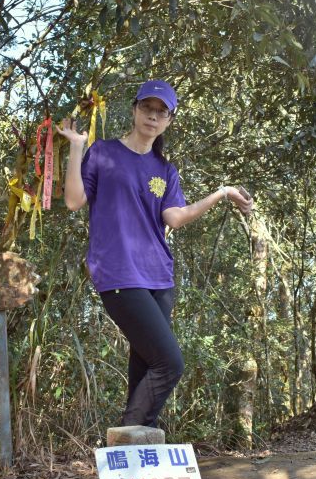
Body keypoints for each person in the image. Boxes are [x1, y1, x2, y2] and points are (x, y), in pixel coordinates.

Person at [57, 80, 253, 430]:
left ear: (169, 121)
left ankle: (133, 467)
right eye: (147, 108)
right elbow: (73, 201)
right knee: (169, 363)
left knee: (146, 367)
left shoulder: (165, 170)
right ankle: (126, 441)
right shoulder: (103, 152)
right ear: (134, 110)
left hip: (159, 277)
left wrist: (221, 193)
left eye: (161, 111)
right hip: (118, 273)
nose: (153, 116)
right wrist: (76, 148)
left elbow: (174, 218)